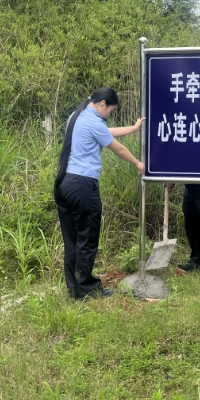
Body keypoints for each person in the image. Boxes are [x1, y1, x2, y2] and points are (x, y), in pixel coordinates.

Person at [53, 87, 145, 299]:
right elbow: (118, 148)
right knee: (87, 237)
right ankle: (86, 288)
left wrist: (133, 128)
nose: (110, 115)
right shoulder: (93, 121)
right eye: (111, 111)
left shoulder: (77, 117)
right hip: (82, 185)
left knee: (72, 240)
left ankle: (74, 289)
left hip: (64, 183)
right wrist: (138, 163)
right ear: (102, 104)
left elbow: (106, 132)